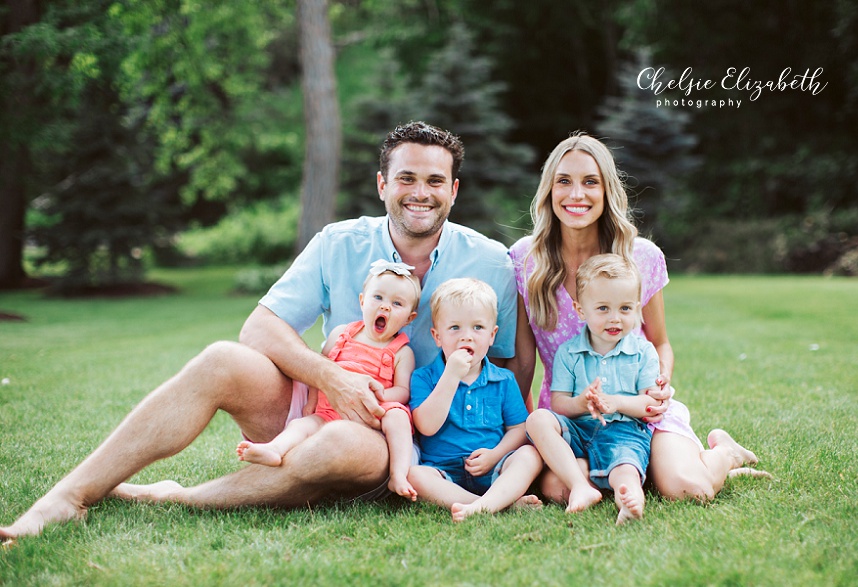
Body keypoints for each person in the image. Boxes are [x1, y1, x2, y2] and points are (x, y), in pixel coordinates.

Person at [0, 121, 517, 542]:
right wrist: (331, 378)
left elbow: (511, 367)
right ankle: (67, 497)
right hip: (320, 406)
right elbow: (260, 327)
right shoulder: (338, 242)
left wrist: (495, 459)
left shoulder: (491, 262)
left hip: (402, 443)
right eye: (406, 178)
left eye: (433, 182)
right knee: (221, 358)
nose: (419, 193)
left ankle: (178, 494)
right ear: (383, 184)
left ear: (453, 190)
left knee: (335, 445)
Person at [507, 132, 768, 504]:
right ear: (548, 190)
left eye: (590, 182)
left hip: (639, 409)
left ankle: (723, 453)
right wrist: (522, 433)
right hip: (575, 416)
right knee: (556, 489)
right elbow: (522, 360)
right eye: (564, 181)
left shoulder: (640, 257)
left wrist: (659, 384)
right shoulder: (524, 259)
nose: (576, 194)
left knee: (686, 490)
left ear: (607, 190)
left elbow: (660, 342)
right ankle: (628, 472)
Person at [236, 260, 421, 501]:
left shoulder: (401, 351)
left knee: (398, 417)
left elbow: (403, 391)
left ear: (409, 317)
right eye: (378, 298)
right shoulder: (341, 335)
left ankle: (398, 474)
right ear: (363, 301)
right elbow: (321, 371)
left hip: (373, 413)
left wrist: (379, 397)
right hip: (329, 408)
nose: (385, 307)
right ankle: (274, 449)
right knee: (301, 426)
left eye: (397, 304)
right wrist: (312, 402)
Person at [526, 254, 659, 524]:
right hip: (578, 431)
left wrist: (617, 402)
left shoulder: (643, 351)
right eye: (602, 309)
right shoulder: (569, 352)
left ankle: (630, 501)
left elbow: (650, 405)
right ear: (580, 310)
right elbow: (559, 404)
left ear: (636, 309)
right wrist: (581, 403)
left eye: (625, 309)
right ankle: (581, 486)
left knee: (624, 468)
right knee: (538, 419)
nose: (615, 319)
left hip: (622, 430)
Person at [406, 278, 543, 522]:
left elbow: (519, 428)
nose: (466, 337)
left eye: (477, 328)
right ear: (437, 337)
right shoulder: (424, 377)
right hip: (444, 472)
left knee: (529, 456)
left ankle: (492, 499)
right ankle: (494, 504)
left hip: (494, 470)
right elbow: (426, 426)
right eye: (455, 328)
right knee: (415, 475)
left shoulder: (503, 380)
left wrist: (495, 454)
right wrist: (450, 376)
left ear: (492, 335)